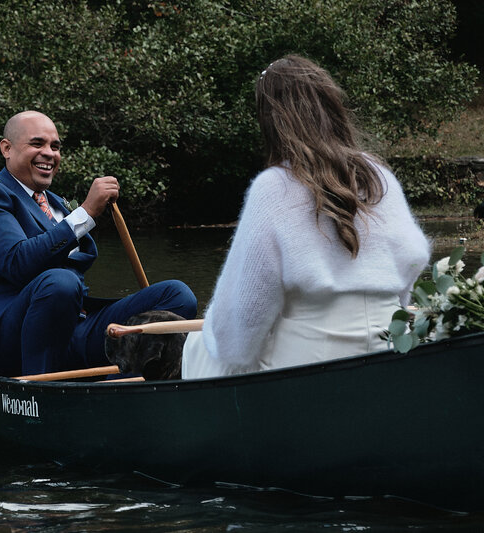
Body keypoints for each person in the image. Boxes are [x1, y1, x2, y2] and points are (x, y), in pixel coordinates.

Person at [182, 55, 431, 378]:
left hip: (311, 363)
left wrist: (213, 334)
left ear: (272, 122)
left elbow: (240, 333)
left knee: (199, 347)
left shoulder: (273, 188)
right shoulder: (378, 176)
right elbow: (411, 262)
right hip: (389, 347)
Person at [0, 110, 197, 377]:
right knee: (60, 283)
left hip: (75, 328)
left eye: (55, 147)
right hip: (12, 341)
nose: (49, 153)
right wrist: (86, 213)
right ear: (7, 149)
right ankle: (42, 390)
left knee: (176, 295)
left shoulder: (57, 203)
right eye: (37, 144)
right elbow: (17, 263)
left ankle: (120, 386)